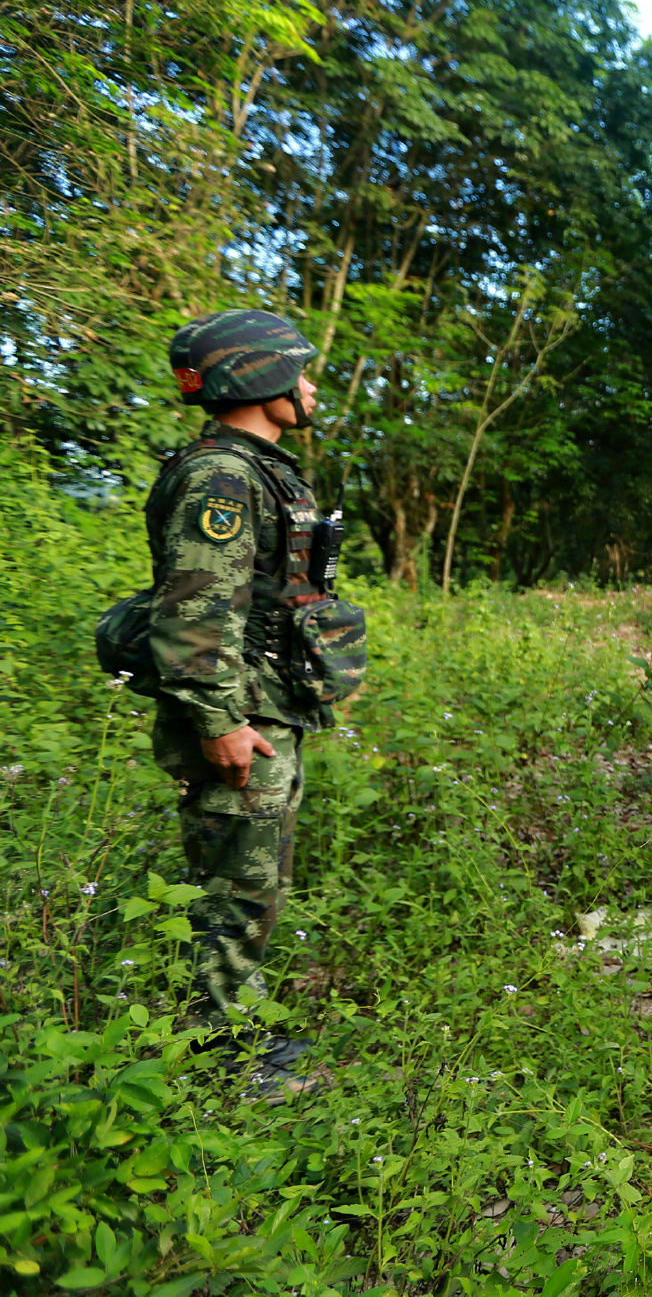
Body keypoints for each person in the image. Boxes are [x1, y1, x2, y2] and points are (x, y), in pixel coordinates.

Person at [150, 309, 364, 1096]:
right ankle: (224, 1058)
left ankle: (235, 1024)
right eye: (299, 371)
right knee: (236, 889)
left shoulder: (254, 468)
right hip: (242, 718)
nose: (309, 386)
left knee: (253, 884)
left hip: (266, 708)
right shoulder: (223, 478)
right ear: (260, 377)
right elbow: (195, 608)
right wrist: (221, 722)